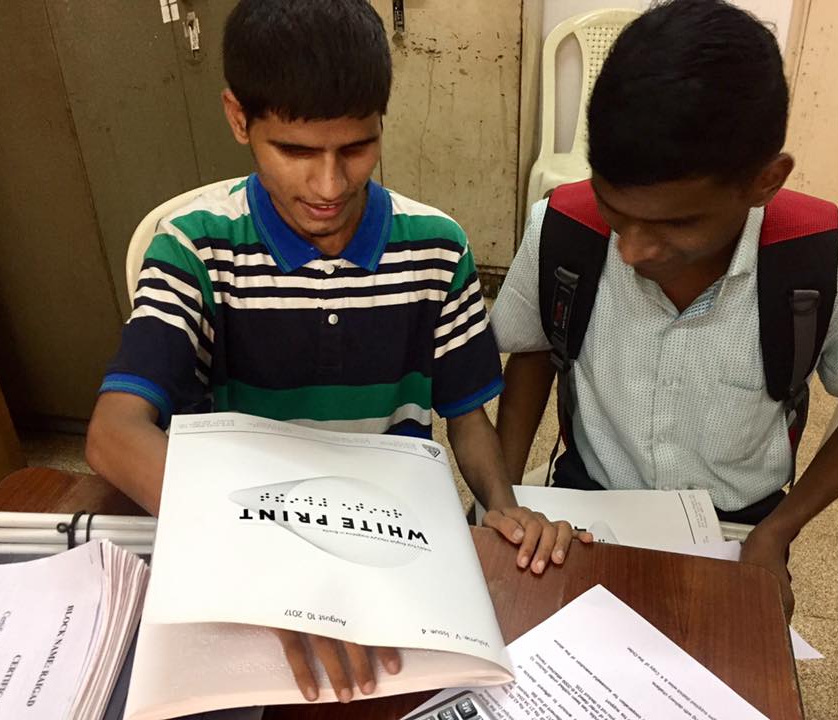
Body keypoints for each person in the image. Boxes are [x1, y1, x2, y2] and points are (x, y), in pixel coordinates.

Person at [86, 0, 587, 704]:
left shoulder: (437, 248)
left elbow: (468, 420)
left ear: (381, 120)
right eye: (294, 151)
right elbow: (115, 434)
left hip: (387, 531)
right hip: (243, 532)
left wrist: (500, 503)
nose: (329, 186)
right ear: (239, 120)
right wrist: (273, 569)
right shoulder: (194, 245)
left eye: (356, 148)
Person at [492, 0, 838, 621]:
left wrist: (778, 531)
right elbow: (531, 351)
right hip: (584, 506)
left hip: (736, 528)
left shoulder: (837, 264)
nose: (634, 250)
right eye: (616, 210)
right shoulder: (564, 230)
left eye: (676, 223)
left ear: (765, 181)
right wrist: (503, 499)